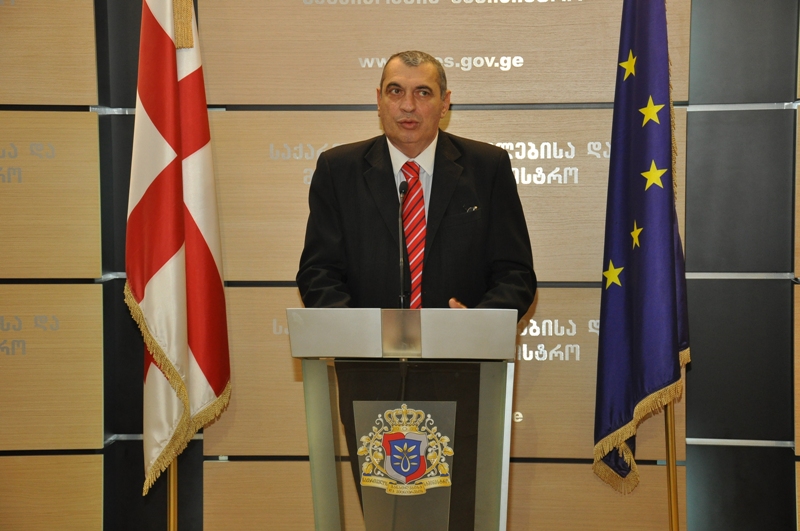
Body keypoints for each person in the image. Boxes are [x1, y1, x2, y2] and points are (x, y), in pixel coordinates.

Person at [297, 50, 536, 530]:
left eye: (422, 92)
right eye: (396, 91)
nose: (408, 105)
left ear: (445, 103)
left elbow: (516, 275)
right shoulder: (339, 169)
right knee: (387, 517)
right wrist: (360, 332)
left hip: (462, 377)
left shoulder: (486, 167)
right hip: (370, 379)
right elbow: (318, 273)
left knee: (459, 514)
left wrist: (476, 325)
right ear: (379, 100)